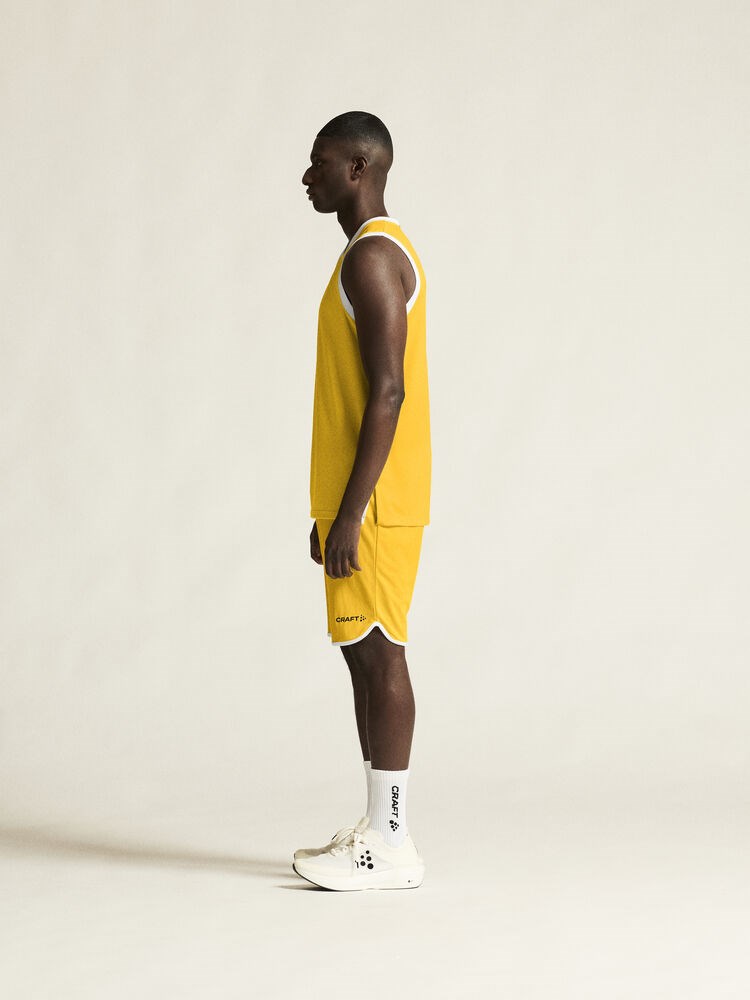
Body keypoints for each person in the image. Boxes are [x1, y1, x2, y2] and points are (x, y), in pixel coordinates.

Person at [293, 111, 431, 891]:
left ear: (357, 167)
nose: (305, 177)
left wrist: (351, 513)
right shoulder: (365, 254)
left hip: (375, 503)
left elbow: (389, 391)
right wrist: (332, 509)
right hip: (361, 499)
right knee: (361, 656)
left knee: (380, 655)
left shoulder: (373, 256)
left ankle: (392, 843)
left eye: (319, 163)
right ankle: (378, 825)